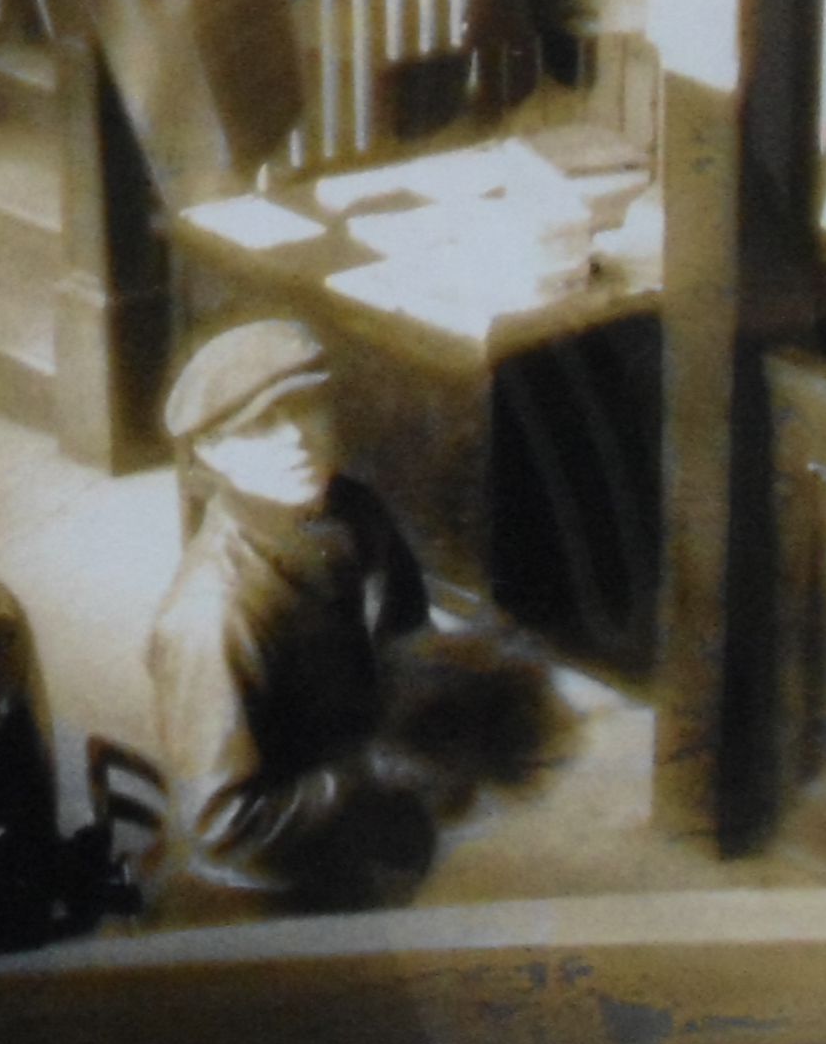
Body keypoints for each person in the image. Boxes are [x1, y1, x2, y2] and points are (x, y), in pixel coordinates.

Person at [143, 319, 557, 919]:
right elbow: (224, 826)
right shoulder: (215, 614)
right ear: (211, 451)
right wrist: (378, 773)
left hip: (369, 828)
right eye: (260, 426)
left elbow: (404, 638)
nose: (294, 440)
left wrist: (458, 682)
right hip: (275, 895)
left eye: (304, 409)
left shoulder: (355, 511)